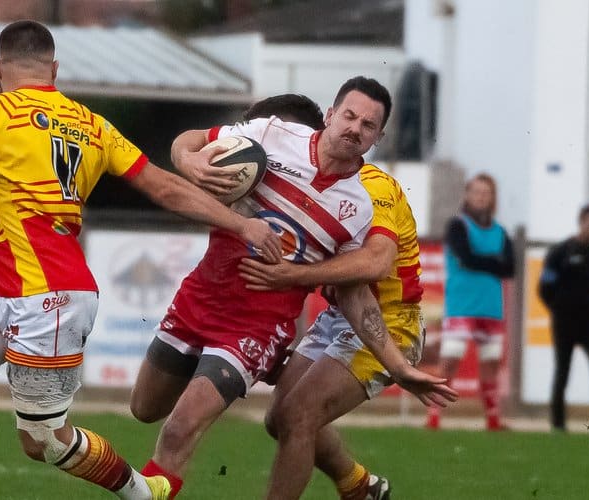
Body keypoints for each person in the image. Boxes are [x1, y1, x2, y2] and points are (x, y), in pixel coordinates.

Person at [0, 20, 282, 500]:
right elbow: (165, 188)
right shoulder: (92, 124)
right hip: (5, 284)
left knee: (43, 440)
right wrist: (243, 224)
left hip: (50, 296)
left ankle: (145, 493)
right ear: (54, 69)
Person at [129, 78, 456, 499]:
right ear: (330, 115)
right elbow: (189, 143)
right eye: (350, 116)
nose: (355, 128)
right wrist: (190, 162)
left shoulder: (365, 198)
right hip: (208, 301)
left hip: (343, 320)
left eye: (368, 125)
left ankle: (258, 362)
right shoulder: (268, 139)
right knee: (153, 409)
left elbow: (374, 265)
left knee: (286, 417)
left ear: (378, 137)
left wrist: (395, 364)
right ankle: (358, 485)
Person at [425, 173, 515, 431]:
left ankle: (493, 419)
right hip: (462, 305)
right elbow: (466, 257)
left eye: (485, 193)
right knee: (450, 360)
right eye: (476, 192)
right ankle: (433, 416)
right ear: (467, 194)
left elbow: (509, 268)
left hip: (491, 307)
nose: (480, 197)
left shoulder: (500, 232)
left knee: (490, 363)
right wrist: (492, 262)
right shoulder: (458, 226)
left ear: (492, 198)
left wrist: (485, 262)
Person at [538, 202, 589, 433]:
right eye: (588, 220)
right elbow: (544, 287)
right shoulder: (561, 251)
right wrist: (557, 308)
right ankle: (558, 424)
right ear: (580, 220)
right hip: (564, 321)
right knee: (562, 371)